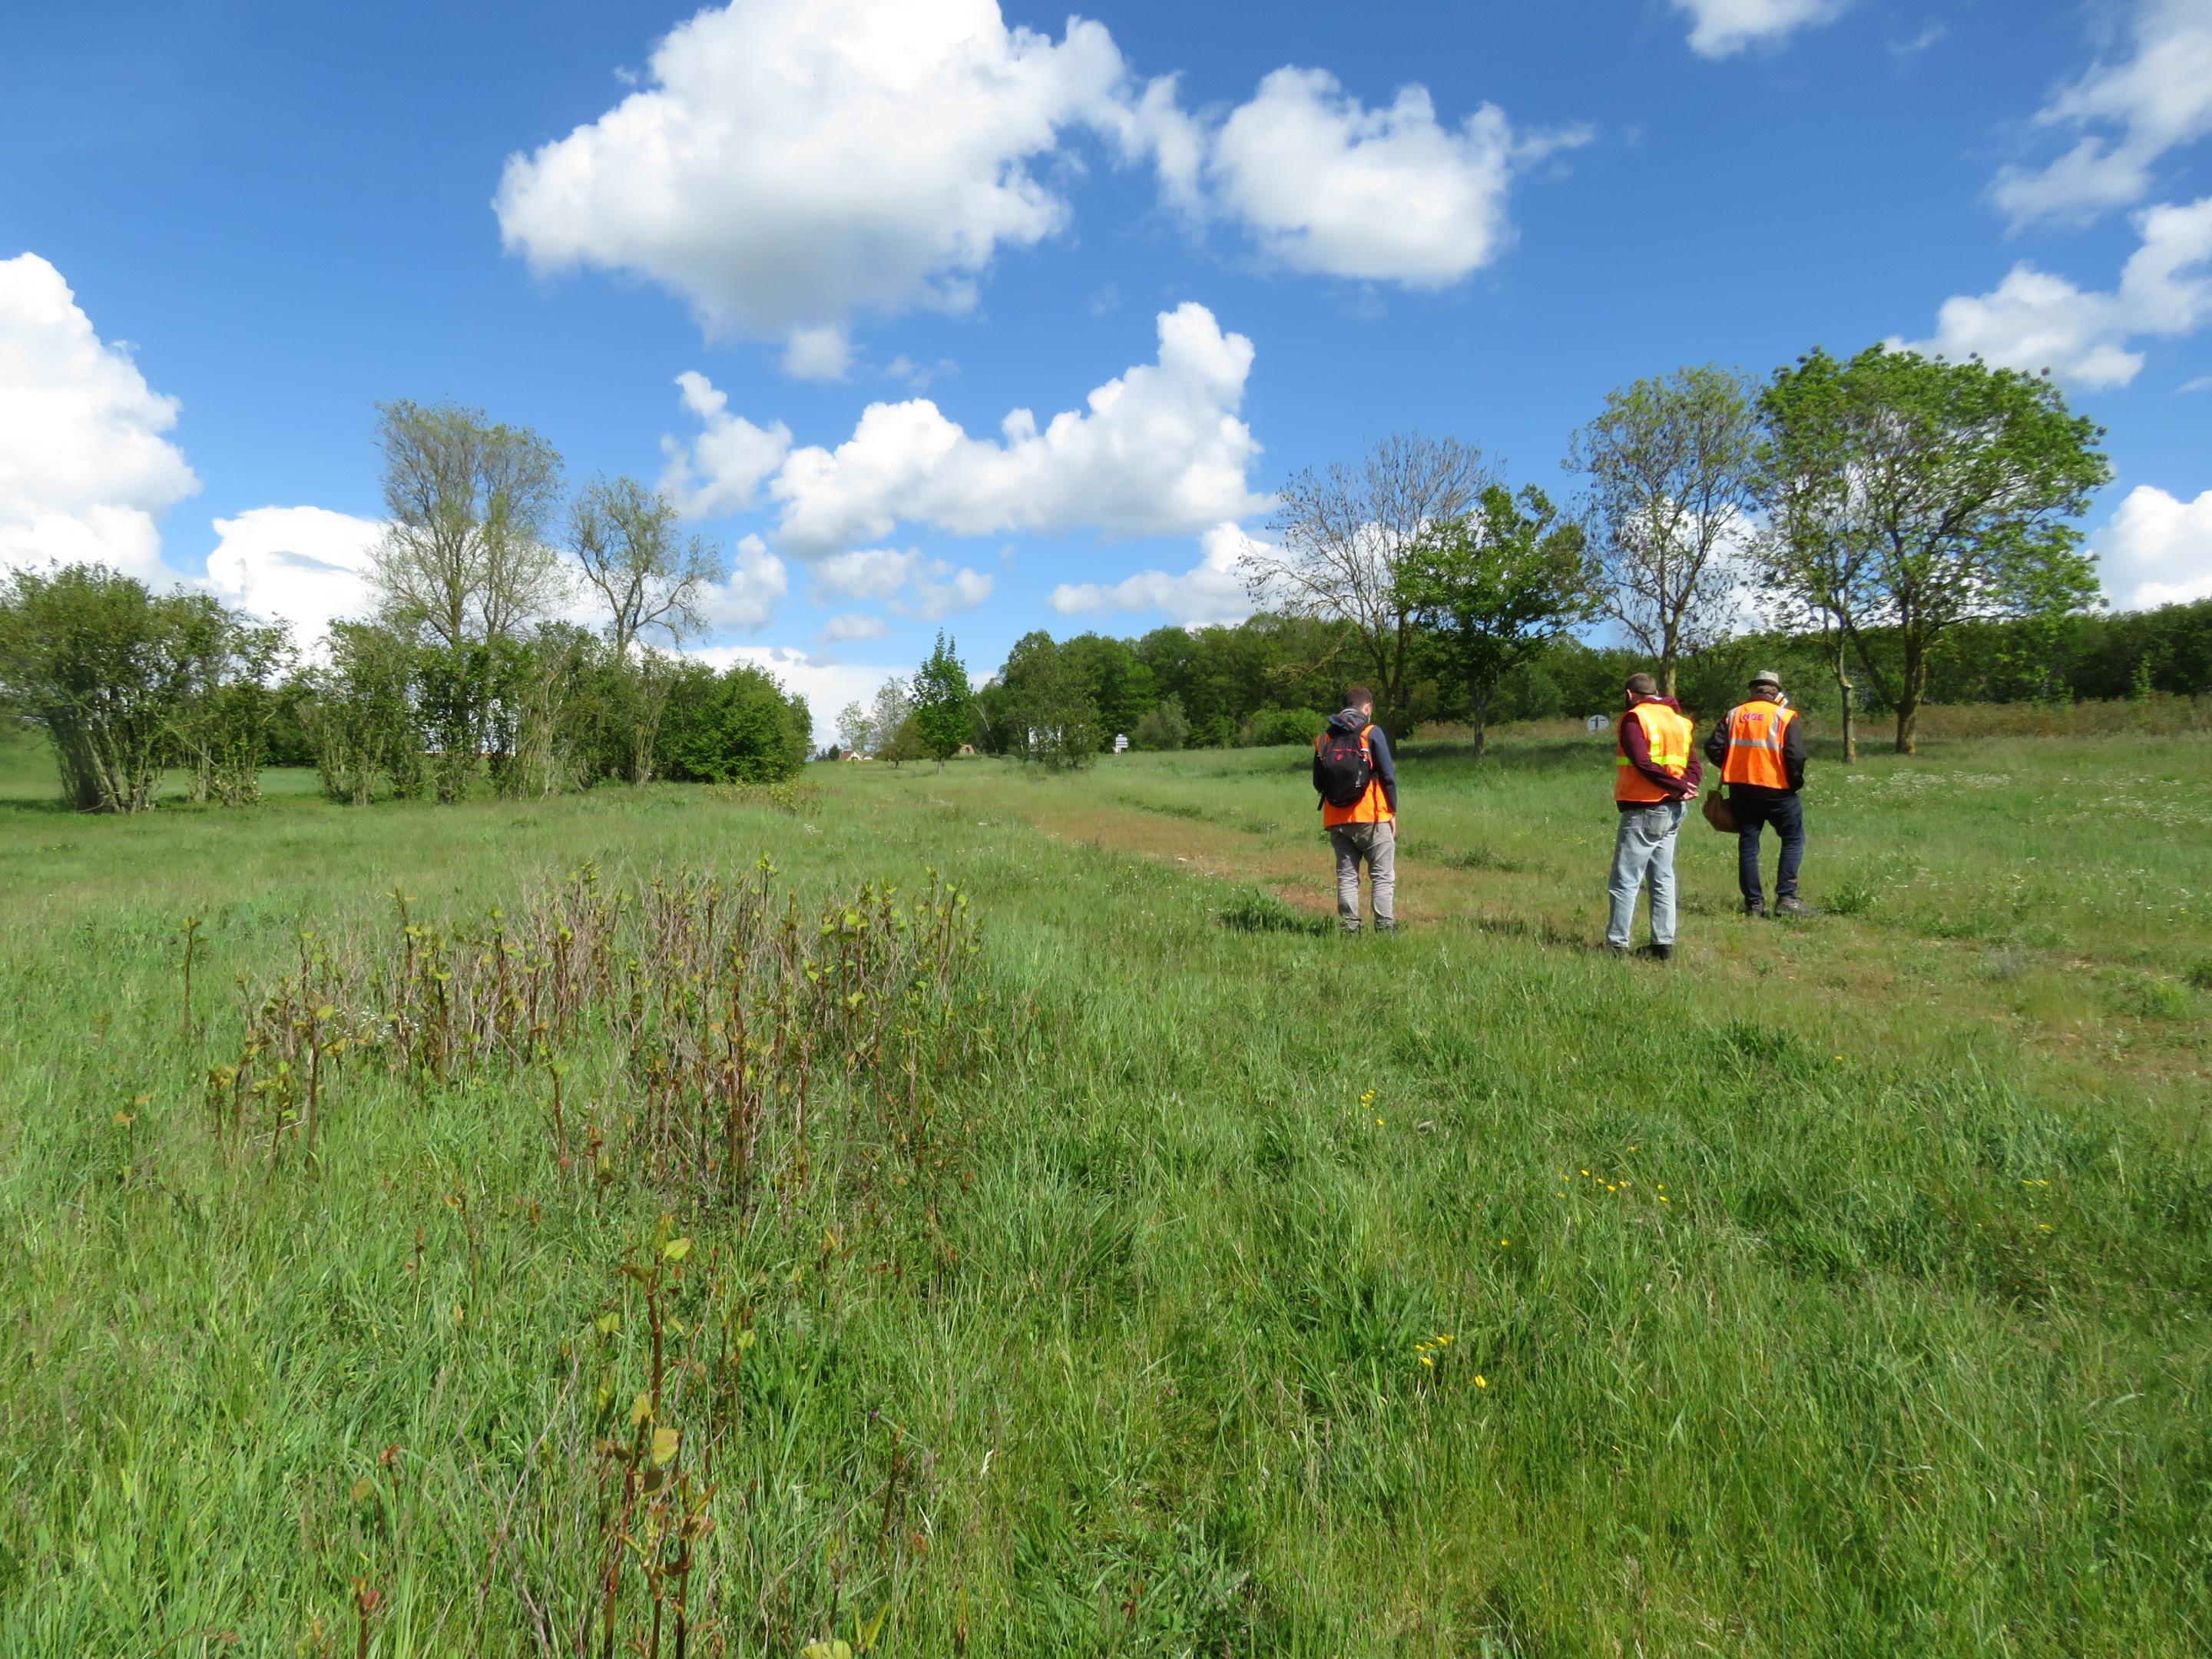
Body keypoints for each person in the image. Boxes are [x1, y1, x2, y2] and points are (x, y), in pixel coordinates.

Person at [1608, 673, 1702, 960]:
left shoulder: (1635, 718)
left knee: (1625, 879)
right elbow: (1695, 767)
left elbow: (1642, 762)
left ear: (1629, 694)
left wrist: (1675, 786)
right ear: (1657, 692)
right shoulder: (1680, 721)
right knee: (1662, 877)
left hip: (1644, 808)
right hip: (1674, 809)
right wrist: (1684, 787)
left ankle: (1616, 945)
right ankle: (1662, 945)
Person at [1705, 669, 1810, 918]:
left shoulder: (1734, 714)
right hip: (1778, 790)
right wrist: (1794, 782)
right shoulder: (1784, 716)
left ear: (1753, 690)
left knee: (1749, 844)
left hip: (1742, 789)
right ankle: (1787, 899)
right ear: (1776, 692)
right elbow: (1796, 755)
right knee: (1793, 839)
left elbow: (1713, 747)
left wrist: (1734, 767)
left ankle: (1754, 904)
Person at [1313, 687, 1398, 935]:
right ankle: (1385, 929)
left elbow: (1318, 783)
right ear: (1367, 707)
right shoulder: (1371, 732)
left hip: (1336, 819)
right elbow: (1388, 776)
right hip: (1372, 816)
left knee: (1347, 877)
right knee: (1382, 875)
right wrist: (1392, 811)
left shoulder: (1324, 739)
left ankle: (1350, 930)